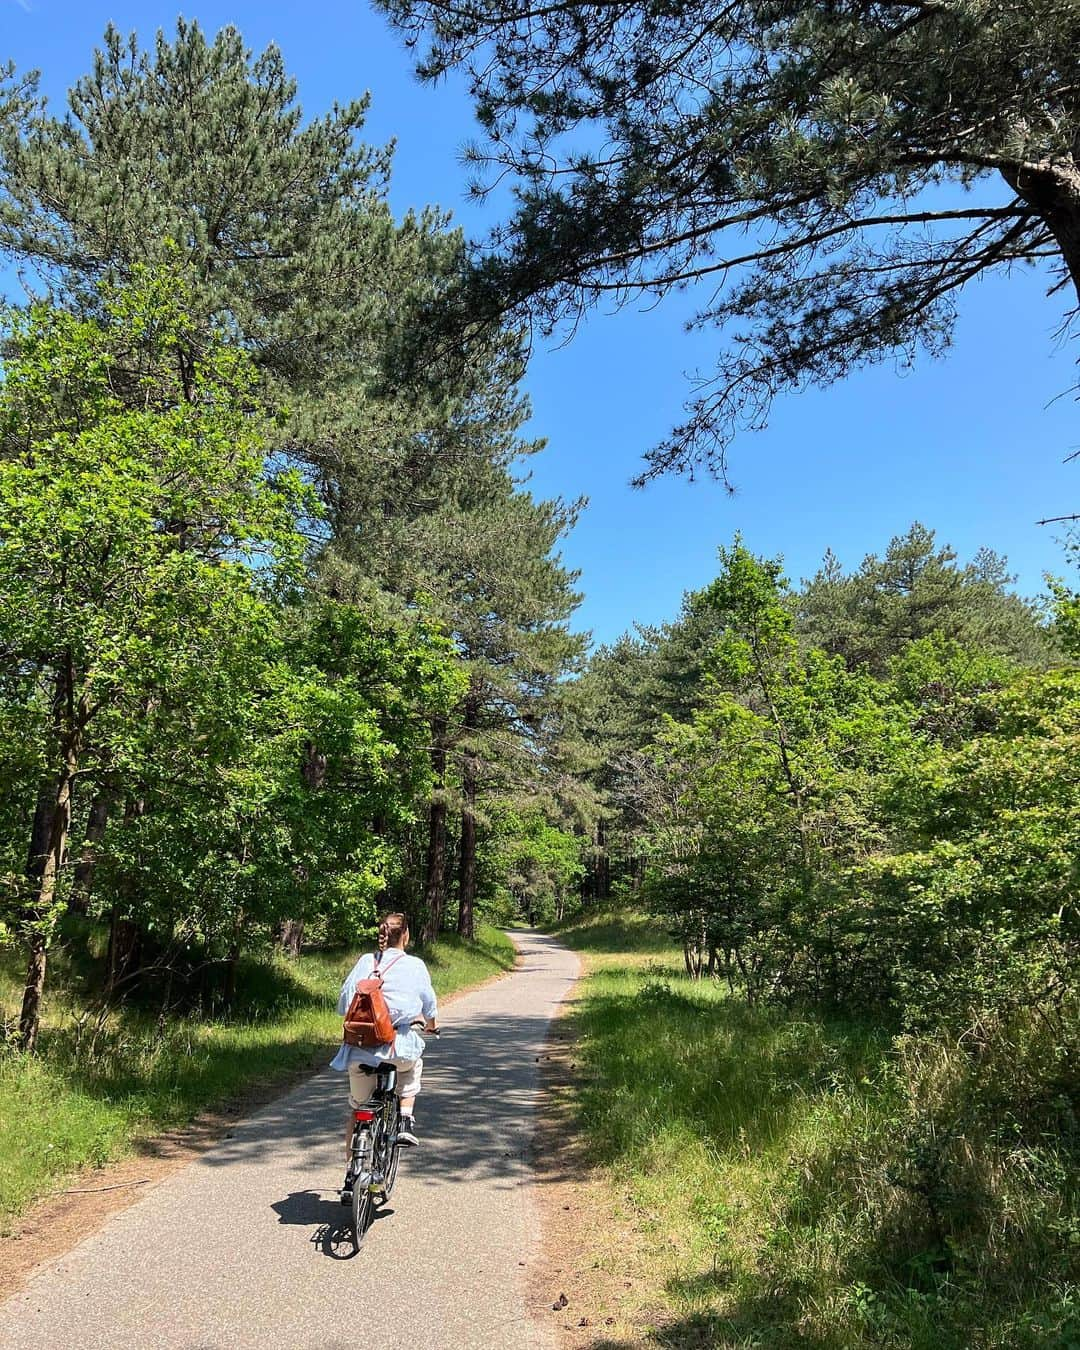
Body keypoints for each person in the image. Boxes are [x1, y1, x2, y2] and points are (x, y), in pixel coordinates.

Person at [330, 912, 438, 1190]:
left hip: (360, 1051)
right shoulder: (415, 965)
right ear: (406, 935)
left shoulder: (367, 962)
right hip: (398, 1049)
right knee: (412, 1070)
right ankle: (404, 1121)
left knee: (357, 1110)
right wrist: (431, 1025)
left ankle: (351, 1173)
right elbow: (428, 1004)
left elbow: (344, 1005)